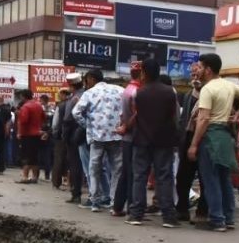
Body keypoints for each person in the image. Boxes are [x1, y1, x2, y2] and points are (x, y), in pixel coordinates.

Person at [188, 54, 239, 231]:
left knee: (210, 181)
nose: (197, 70)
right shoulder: (228, 85)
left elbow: (203, 119)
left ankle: (217, 220)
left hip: (210, 136)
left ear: (208, 70)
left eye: (200, 67)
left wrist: (193, 144)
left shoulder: (208, 89)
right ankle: (228, 218)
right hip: (225, 136)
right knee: (224, 180)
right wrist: (238, 114)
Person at [122, 59, 180, 227]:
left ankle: (136, 214)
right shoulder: (170, 92)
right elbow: (175, 117)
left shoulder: (140, 93)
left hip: (142, 140)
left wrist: (126, 127)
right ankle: (169, 216)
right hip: (164, 140)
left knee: (139, 177)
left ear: (144, 73)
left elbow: (136, 116)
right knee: (164, 177)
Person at [72, 69, 123, 212]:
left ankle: (95, 201)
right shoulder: (120, 90)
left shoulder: (89, 93)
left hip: (97, 136)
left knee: (94, 170)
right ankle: (114, 201)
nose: (86, 83)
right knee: (116, 170)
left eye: (86, 80)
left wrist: (88, 125)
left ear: (92, 79)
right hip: (115, 136)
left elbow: (76, 112)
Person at [175, 63, 208, 222]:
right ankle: (182, 209)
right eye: (193, 75)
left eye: (198, 75)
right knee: (183, 178)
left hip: (205, 140)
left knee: (205, 178)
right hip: (188, 140)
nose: (195, 78)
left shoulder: (210, 93)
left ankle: (202, 211)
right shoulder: (188, 95)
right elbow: (183, 120)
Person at [112, 61, 142, 216]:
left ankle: (118, 207)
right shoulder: (136, 92)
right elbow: (137, 115)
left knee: (126, 172)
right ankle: (132, 207)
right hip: (133, 136)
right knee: (133, 173)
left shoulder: (127, 90)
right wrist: (126, 127)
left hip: (127, 137)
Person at [63, 73, 86, 204]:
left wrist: (64, 136)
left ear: (71, 85)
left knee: (75, 165)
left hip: (74, 135)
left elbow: (67, 119)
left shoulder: (74, 99)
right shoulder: (87, 94)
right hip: (86, 134)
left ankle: (76, 193)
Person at [16, 89, 45, 184]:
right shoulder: (39, 105)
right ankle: (35, 177)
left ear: (23, 96)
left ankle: (25, 177)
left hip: (27, 134)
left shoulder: (25, 107)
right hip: (37, 134)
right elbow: (43, 118)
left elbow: (23, 121)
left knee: (26, 156)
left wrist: (19, 132)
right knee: (35, 157)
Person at [52, 89, 71, 189]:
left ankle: (56, 182)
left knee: (58, 159)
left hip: (60, 135)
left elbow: (55, 123)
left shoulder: (60, 106)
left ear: (64, 94)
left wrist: (54, 132)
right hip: (72, 135)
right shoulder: (74, 102)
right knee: (71, 159)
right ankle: (70, 182)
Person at [39, 94, 55, 181]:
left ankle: (36, 175)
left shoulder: (40, 109)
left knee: (39, 154)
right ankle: (47, 175)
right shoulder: (53, 110)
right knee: (47, 154)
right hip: (49, 134)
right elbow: (53, 124)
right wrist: (48, 133)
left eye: (40, 100)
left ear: (43, 100)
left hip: (40, 133)